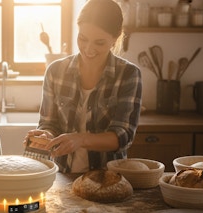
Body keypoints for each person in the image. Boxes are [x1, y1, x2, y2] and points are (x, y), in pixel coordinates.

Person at [25, 0, 142, 173]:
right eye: (82, 38)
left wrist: (81, 139)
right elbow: (48, 123)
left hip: (107, 177)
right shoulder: (55, 71)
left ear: (114, 39)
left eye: (99, 42)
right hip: (61, 175)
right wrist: (45, 136)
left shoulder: (128, 74)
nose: (88, 49)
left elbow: (123, 136)